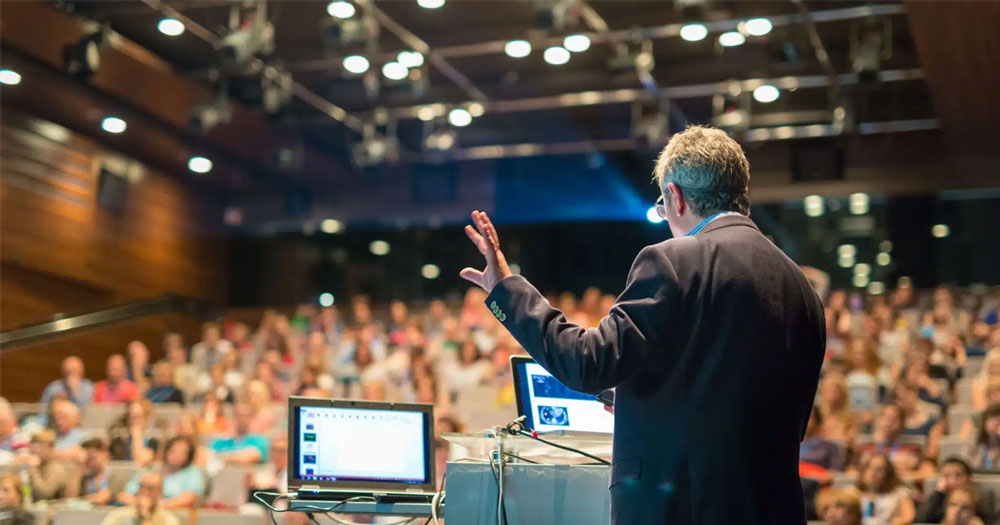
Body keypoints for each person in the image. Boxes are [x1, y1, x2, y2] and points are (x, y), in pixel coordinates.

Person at [459, 125, 826, 524]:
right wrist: (645, 398)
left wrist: (507, 289)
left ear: (676, 197)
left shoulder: (674, 260)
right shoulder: (800, 286)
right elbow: (744, 402)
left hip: (681, 509)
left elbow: (586, 363)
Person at [118, 436, 204, 509]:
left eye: (182, 452)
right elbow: (125, 495)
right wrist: (140, 503)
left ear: (188, 456)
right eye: (173, 450)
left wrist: (156, 506)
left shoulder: (193, 473)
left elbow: (188, 499)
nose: (176, 455)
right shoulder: (151, 469)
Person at [918, 457, 1000, 523]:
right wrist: (938, 493)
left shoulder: (984, 497)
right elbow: (920, 520)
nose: (952, 480)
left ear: (969, 477)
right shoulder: (939, 498)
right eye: (947, 476)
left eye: (958, 475)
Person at [16, 430, 79, 500]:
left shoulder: (55, 468)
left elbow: (43, 495)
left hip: (54, 509)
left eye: (42, 447)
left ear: (51, 449)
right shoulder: (36, 465)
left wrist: (32, 468)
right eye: (34, 446)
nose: (37, 451)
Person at [856, 454, 915, 525]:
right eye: (869, 468)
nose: (873, 473)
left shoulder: (899, 492)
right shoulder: (854, 492)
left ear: (887, 473)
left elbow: (908, 517)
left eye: (878, 469)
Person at [102, 472, 180, 525]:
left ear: (160, 492)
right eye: (142, 486)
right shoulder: (121, 513)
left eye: (150, 488)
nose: (144, 492)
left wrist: (145, 516)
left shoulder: (167, 519)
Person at [78, 438, 113, 505]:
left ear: (104, 453)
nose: (90, 461)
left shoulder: (115, 474)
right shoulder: (85, 478)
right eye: (88, 458)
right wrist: (79, 467)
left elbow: (103, 498)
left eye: (93, 457)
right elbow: (71, 498)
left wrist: (84, 499)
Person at [967, 403, 1000, 471]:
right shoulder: (975, 437)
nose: (996, 423)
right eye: (993, 419)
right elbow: (966, 462)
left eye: (999, 420)